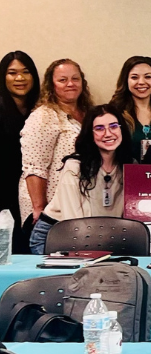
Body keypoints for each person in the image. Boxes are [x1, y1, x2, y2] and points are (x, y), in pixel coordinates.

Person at [28, 105, 134, 254]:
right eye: (99, 128)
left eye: (113, 126)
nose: (108, 133)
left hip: (103, 238)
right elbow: (74, 226)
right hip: (57, 235)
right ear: (90, 134)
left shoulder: (130, 166)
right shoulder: (75, 167)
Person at [19, 59, 93, 237]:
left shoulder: (88, 114)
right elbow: (34, 167)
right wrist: (40, 208)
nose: (70, 84)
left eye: (75, 79)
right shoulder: (43, 117)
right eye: (62, 80)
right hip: (48, 211)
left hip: (75, 207)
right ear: (51, 85)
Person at [0, 52, 40, 253]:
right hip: (4, 195)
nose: (19, 78)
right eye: (12, 73)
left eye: (26, 72)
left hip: (34, 194)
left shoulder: (42, 109)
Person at [109, 56, 151, 161]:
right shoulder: (114, 114)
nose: (141, 82)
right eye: (134, 77)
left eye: (148, 77)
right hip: (123, 174)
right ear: (126, 81)